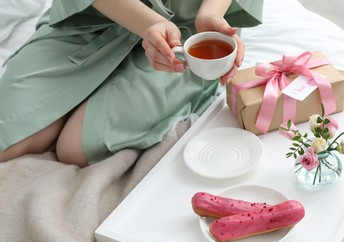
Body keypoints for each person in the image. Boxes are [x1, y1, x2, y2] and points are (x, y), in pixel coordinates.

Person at [0, 0, 263, 167]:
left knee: (75, 148)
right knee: (7, 137)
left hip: (185, 36)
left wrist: (210, 13)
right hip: (94, 16)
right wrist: (151, 23)